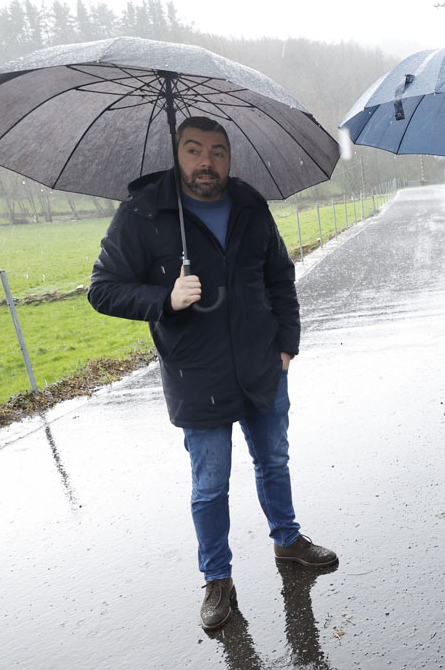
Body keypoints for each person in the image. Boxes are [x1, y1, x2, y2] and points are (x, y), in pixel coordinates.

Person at [88, 116, 336, 631]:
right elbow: (103, 289)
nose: (207, 162)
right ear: (177, 153)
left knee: (274, 462)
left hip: (262, 364)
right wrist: (165, 298)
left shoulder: (249, 204)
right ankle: (217, 578)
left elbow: (280, 277)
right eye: (194, 149)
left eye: (218, 151)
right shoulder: (143, 212)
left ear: (229, 157)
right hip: (195, 374)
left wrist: (286, 345)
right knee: (210, 484)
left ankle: (287, 540)